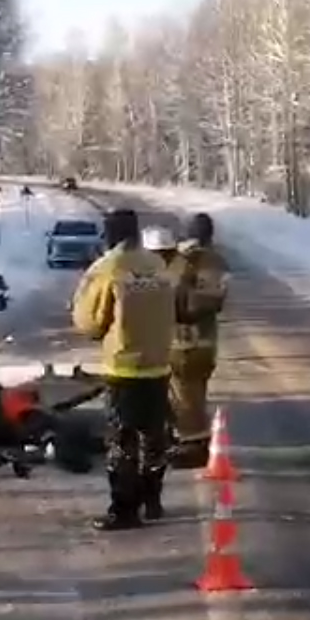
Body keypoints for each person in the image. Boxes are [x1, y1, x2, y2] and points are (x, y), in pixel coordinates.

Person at [72, 208, 177, 530]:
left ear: (110, 235)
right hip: (159, 365)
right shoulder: (158, 265)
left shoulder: (109, 268)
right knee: (153, 438)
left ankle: (124, 509)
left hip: (124, 368)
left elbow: (89, 322)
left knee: (122, 443)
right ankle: (153, 499)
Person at [169, 213, 231, 467]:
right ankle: (197, 441)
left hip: (181, 342)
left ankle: (191, 447)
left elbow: (181, 302)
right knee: (196, 394)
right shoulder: (219, 262)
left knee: (183, 395)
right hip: (207, 342)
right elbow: (216, 300)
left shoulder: (179, 260)